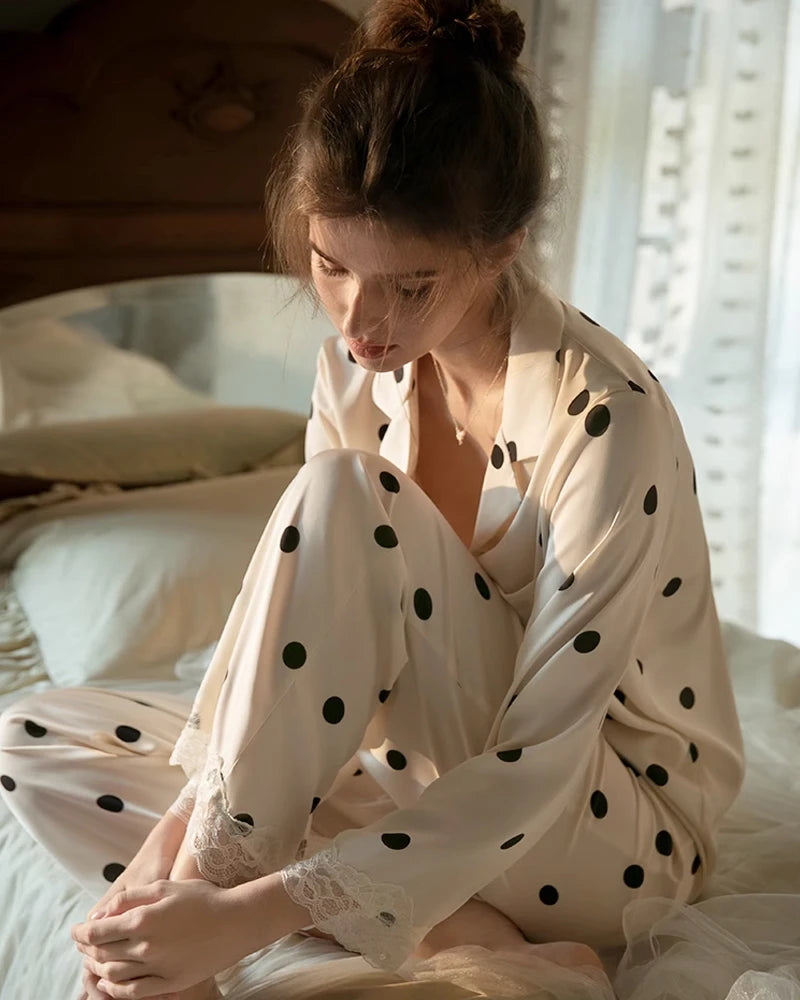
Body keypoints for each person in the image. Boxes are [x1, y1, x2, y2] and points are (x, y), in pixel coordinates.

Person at [0, 1, 746, 998]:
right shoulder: (354, 374)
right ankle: (461, 932)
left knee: (347, 493)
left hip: (597, 827)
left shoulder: (607, 417)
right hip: (412, 777)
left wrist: (228, 909)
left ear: (505, 244)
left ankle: (234, 905)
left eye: (411, 285)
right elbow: (306, 666)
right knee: (34, 741)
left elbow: (539, 756)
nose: (361, 320)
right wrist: (154, 875)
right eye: (330, 265)